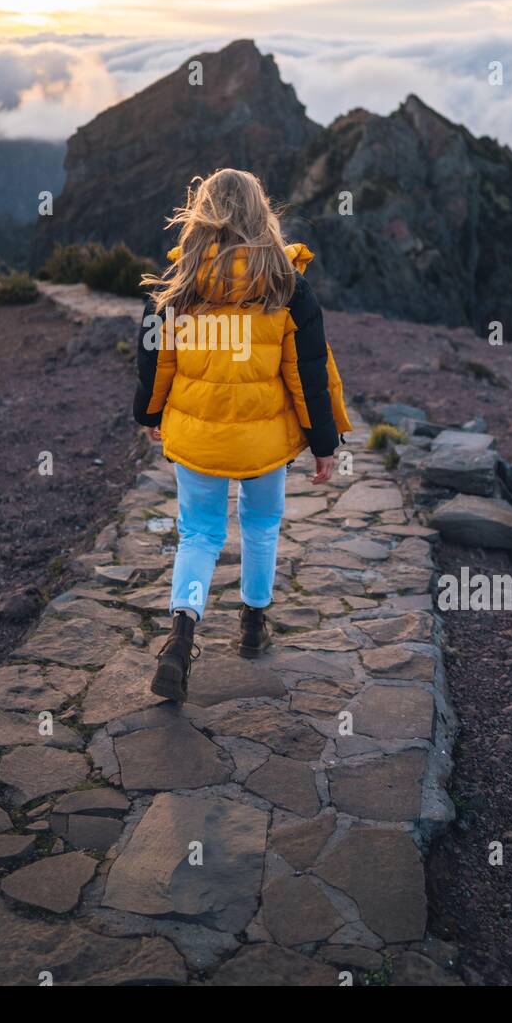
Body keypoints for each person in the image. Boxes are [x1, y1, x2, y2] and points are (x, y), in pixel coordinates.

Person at [132, 167, 351, 702]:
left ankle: (182, 635)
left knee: (199, 534)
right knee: (261, 526)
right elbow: (309, 372)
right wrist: (324, 441)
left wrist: (150, 414)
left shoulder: (176, 286)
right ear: (261, 213)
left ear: (202, 215)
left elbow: (154, 362)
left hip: (198, 436)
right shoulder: (287, 286)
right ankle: (253, 625)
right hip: (263, 443)